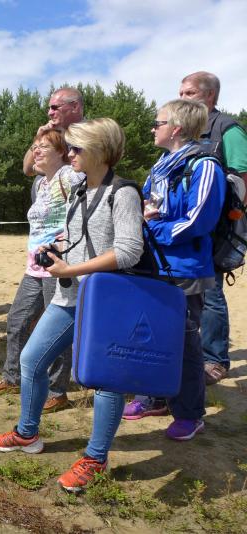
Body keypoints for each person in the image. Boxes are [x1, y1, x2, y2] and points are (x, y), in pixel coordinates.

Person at [0, 118, 144, 493]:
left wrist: (71, 268)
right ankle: (27, 433)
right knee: (31, 361)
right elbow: (76, 237)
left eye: (76, 148)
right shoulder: (80, 191)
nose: (70, 154)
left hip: (105, 301)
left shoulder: (122, 193)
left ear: (100, 150)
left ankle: (96, 458)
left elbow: (129, 251)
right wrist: (55, 248)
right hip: (69, 296)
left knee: (105, 381)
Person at [124, 99, 226, 439]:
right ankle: (151, 398)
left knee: (183, 342)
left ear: (177, 128)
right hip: (152, 264)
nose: (153, 128)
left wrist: (151, 227)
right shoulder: (161, 166)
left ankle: (189, 413)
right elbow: (145, 205)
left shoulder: (204, 166)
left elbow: (199, 220)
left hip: (185, 269)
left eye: (158, 123)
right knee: (148, 334)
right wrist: (143, 218)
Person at [0, 129, 82, 412]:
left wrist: (65, 241)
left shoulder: (68, 176)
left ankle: (57, 392)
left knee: (56, 330)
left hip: (57, 265)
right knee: (17, 319)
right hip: (34, 266)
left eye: (43, 147)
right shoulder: (41, 182)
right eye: (34, 146)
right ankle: (12, 377)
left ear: (61, 152)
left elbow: (88, 197)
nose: (35, 151)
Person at [178, 71, 247, 385]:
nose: (182, 97)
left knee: (211, 291)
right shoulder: (185, 132)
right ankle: (194, 353)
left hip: (217, 228)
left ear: (209, 95)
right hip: (188, 227)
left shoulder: (228, 128)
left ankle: (215, 360)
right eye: (181, 92)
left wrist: (231, 218)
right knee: (193, 291)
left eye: (189, 92)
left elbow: (242, 177)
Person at [23, 87, 84, 177]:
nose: (50, 113)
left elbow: (80, 170)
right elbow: (27, 169)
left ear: (74, 107)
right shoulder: (52, 133)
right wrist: (38, 139)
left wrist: (42, 168)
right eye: (49, 108)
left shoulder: (92, 135)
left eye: (55, 107)